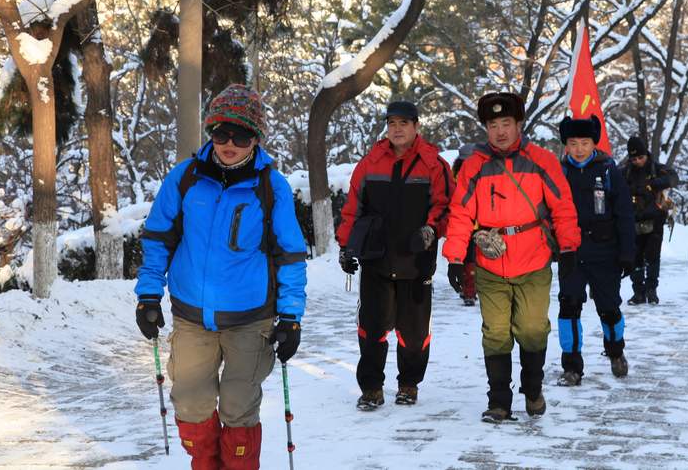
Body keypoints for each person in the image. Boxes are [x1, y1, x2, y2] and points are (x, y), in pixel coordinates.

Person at [135, 83, 308, 470]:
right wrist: (148, 294)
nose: (229, 143)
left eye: (241, 135)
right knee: (192, 406)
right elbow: (158, 238)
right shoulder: (185, 178)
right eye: (220, 133)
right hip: (192, 317)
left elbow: (291, 255)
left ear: (256, 138)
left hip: (251, 320)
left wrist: (291, 317)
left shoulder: (270, 186)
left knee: (237, 407)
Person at [442, 92, 580, 423]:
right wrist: (455, 258)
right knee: (496, 332)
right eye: (493, 125)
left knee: (532, 329)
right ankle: (499, 401)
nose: (500, 131)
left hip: (533, 260)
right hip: (490, 262)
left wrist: (570, 248)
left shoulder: (541, 160)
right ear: (486, 128)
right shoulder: (475, 166)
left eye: (506, 123)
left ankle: (533, 389)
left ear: (519, 124)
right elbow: (460, 213)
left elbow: (562, 207)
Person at [336, 100, 453, 410]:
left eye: (404, 123)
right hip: (376, 259)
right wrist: (346, 246)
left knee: (413, 334)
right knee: (372, 328)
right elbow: (352, 209)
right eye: (392, 123)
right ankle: (372, 387)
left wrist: (431, 230)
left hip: (416, 261)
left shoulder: (434, 164)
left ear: (416, 126)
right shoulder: (370, 163)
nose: (397, 129)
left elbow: (445, 208)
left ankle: (409, 384)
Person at [555, 116, 635, 386]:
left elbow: (624, 213)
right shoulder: (559, 172)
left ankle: (616, 351)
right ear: (566, 145)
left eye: (585, 143)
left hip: (605, 252)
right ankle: (572, 366)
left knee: (609, 308)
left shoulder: (609, 170)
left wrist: (628, 252)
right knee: (569, 308)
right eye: (573, 143)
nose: (578, 149)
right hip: (571, 253)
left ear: (593, 143)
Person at [621, 135, 678, 305]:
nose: (638, 161)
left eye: (641, 157)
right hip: (633, 220)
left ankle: (652, 290)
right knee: (635, 258)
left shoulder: (657, 169)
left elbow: (674, 178)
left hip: (655, 220)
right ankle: (638, 292)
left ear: (646, 154)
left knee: (653, 257)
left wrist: (653, 185)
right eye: (634, 158)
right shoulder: (625, 172)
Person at [447, 143, 478, 306]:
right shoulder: (460, 176)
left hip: (471, 223)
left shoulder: (455, 175)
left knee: (470, 260)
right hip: (468, 223)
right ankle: (469, 292)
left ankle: (469, 291)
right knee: (469, 260)